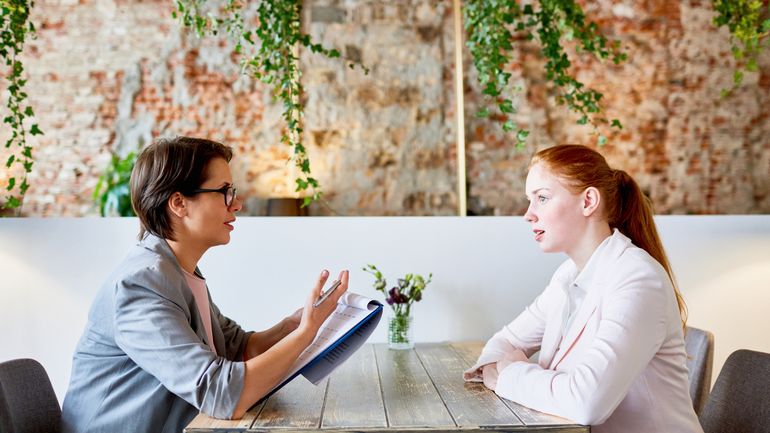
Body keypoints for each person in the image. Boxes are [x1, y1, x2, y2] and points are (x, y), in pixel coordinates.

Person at [61, 136, 348, 433]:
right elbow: (222, 395)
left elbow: (238, 348)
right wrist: (305, 335)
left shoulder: (179, 271)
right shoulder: (141, 285)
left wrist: (292, 325)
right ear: (179, 203)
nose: (236, 204)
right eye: (224, 191)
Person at [464, 144, 703, 433]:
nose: (528, 214)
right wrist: (509, 371)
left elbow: (585, 403)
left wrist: (511, 373)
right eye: (530, 200)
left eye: (542, 198)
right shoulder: (568, 276)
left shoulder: (638, 280)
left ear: (588, 201)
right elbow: (501, 345)